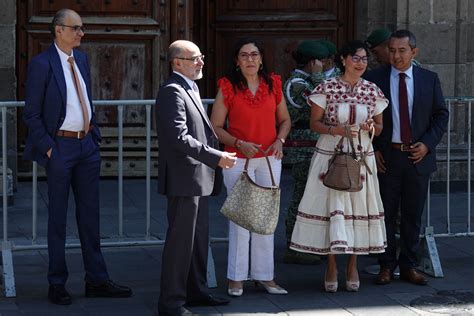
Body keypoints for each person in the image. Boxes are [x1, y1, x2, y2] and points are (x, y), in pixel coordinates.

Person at [22, 9, 132, 305]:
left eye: (82, 28)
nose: (81, 33)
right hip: (60, 148)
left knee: (90, 217)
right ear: (59, 30)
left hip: (86, 148)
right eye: (76, 28)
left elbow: (83, 99)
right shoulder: (41, 64)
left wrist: (93, 133)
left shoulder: (81, 59)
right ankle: (56, 283)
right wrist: (48, 148)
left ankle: (97, 279)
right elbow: (30, 113)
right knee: (58, 219)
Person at [290, 40, 388, 293]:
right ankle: (331, 264)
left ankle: (352, 265)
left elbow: (380, 127)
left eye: (364, 59)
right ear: (343, 60)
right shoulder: (327, 88)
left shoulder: (372, 90)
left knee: (357, 210)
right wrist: (338, 130)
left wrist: (370, 128)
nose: (360, 63)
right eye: (355, 58)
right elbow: (315, 123)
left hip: (360, 157)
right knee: (332, 209)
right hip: (331, 156)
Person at [156, 40, 237, 316]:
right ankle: (172, 303)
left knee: (198, 240)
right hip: (184, 179)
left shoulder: (190, 87)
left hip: (198, 178)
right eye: (195, 58)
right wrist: (216, 157)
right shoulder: (171, 91)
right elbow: (178, 137)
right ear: (177, 62)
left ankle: (197, 291)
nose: (201, 62)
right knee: (181, 243)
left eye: (201, 57)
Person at [365, 30, 448, 286]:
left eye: (402, 51)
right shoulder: (374, 79)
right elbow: (365, 117)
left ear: (414, 52)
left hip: (417, 157)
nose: (396, 56)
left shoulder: (428, 79)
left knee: (412, 215)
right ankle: (386, 266)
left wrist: (427, 144)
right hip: (387, 156)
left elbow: (441, 115)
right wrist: (374, 149)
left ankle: (409, 265)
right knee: (385, 214)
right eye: (392, 50)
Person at [210, 38, 291, 297]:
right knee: (241, 219)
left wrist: (280, 140)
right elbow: (216, 126)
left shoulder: (273, 84)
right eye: (244, 55)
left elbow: (285, 120)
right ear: (237, 60)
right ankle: (236, 277)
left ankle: (265, 276)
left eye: (254, 54)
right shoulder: (227, 87)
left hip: (269, 159)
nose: (250, 60)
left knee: (265, 218)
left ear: (261, 58)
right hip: (237, 159)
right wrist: (237, 143)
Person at [282, 40, 328, 265]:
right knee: (300, 197)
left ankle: (307, 244)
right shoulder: (297, 84)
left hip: (313, 149)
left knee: (310, 198)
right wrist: (319, 77)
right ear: (313, 62)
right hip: (302, 149)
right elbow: (324, 102)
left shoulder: (304, 81)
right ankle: (293, 246)